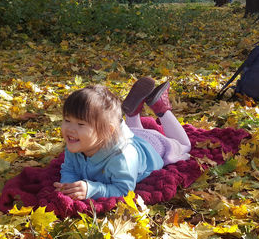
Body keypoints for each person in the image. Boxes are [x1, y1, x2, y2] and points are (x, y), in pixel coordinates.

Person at [53, 77, 191, 200]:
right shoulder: (75, 142)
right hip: (128, 134)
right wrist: (68, 186)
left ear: (107, 130)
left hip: (152, 144)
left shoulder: (121, 158)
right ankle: (132, 113)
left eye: (81, 124)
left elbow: (124, 190)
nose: (70, 128)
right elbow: (69, 169)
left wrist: (93, 189)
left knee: (184, 146)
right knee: (135, 132)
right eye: (67, 120)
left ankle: (162, 107)